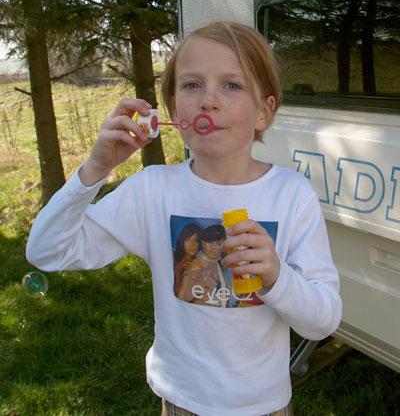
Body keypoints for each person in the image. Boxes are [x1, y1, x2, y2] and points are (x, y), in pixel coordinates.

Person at [26, 21, 342, 416]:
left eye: (232, 85)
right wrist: (95, 169)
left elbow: (322, 322)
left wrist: (277, 277)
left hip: (264, 406)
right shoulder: (153, 189)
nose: (208, 100)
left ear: (264, 112)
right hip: (181, 404)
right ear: (174, 110)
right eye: (192, 85)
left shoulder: (292, 195)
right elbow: (47, 251)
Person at [178, 224, 227, 306]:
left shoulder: (220, 264)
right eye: (210, 242)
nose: (213, 247)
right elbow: (182, 297)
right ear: (203, 243)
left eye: (219, 244)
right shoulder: (196, 266)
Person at [173, 222, 201, 296]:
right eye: (187, 240)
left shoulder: (202, 263)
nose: (192, 244)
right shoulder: (174, 259)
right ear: (182, 242)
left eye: (196, 240)